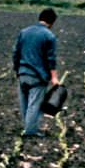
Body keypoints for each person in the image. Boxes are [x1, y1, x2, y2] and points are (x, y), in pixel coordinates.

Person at [12, 8, 60, 137]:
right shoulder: (49, 36)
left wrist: (17, 70)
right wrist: (54, 77)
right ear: (52, 22)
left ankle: (28, 126)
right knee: (35, 104)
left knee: (25, 103)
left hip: (23, 73)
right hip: (38, 76)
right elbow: (51, 58)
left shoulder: (24, 32)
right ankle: (31, 130)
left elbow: (16, 53)